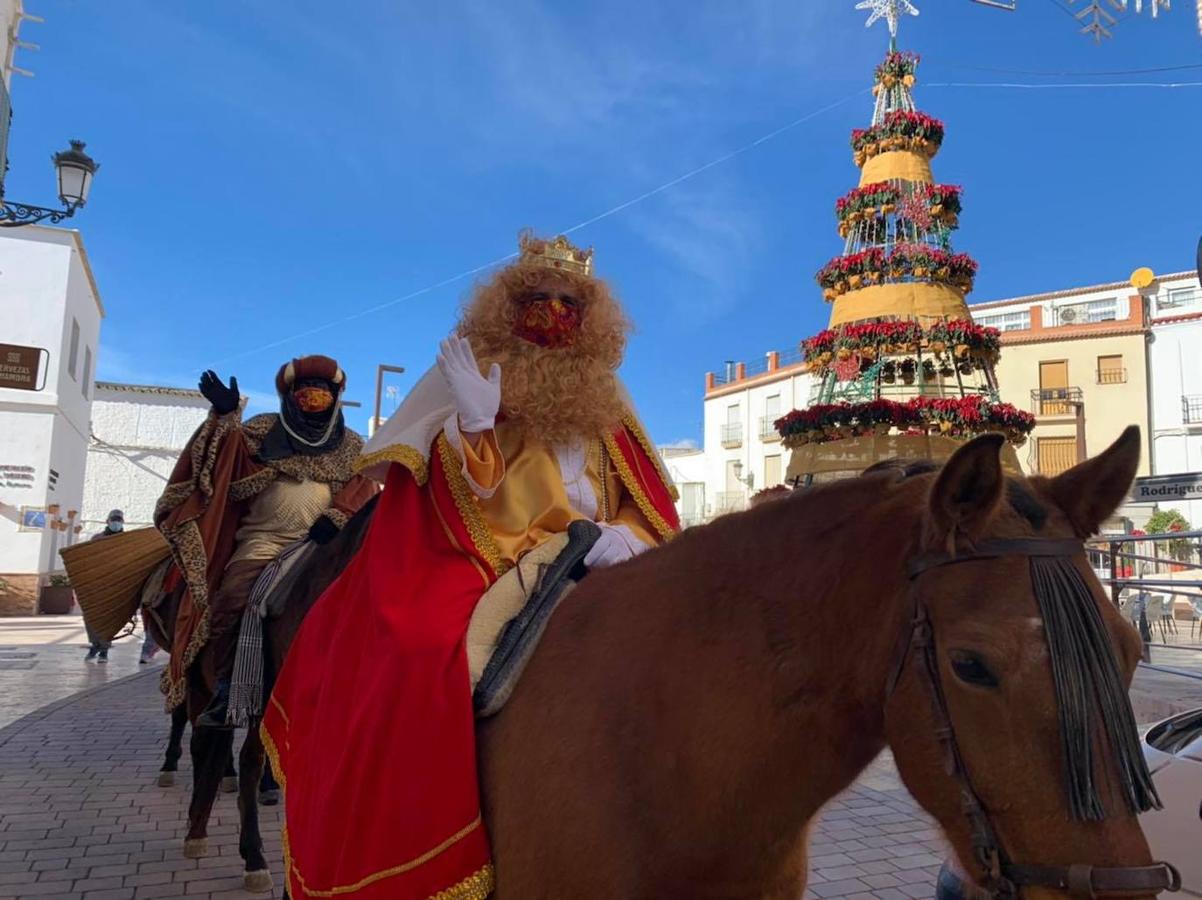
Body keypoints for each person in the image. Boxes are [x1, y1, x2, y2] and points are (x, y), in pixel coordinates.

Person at [262, 233, 682, 900]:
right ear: (507, 305)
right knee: (420, 645)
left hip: (599, 556)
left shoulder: (607, 396)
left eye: (569, 301)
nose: (553, 311)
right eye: (536, 298)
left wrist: (625, 536)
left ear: (592, 316)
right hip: (487, 551)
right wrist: (476, 424)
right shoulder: (470, 368)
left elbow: (646, 499)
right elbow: (448, 485)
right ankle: (411, 828)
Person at [153, 355, 378, 721]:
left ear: (335, 396)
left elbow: (362, 488)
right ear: (289, 395)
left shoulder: (352, 446)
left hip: (318, 546)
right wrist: (225, 417)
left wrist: (338, 516)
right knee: (232, 599)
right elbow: (224, 465)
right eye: (304, 389)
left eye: (323, 389)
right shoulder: (261, 431)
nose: (313, 395)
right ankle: (226, 686)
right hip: (262, 542)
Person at [83, 509, 126, 662]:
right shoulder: (97, 539)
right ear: (107, 521)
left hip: (116, 584)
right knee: (91, 616)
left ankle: (104, 650)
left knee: (109, 618)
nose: (116, 522)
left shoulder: (128, 540)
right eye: (113, 520)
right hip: (97, 583)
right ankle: (95, 644)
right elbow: (88, 559)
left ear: (122, 522)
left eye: (119, 520)